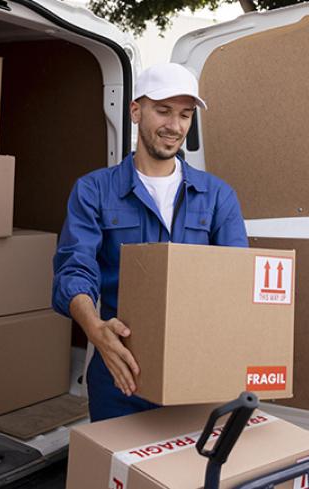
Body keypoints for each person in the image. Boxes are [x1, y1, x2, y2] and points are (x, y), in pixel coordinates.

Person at [52, 63, 248, 422]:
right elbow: (74, 269)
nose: (175, 126)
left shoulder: (218, 196)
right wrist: (95, 330)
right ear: (135, 111)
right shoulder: (94, 190)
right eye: (163, 111)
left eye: (185, 115)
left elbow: (237, 280)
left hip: (198, 373)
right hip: (120, 374)